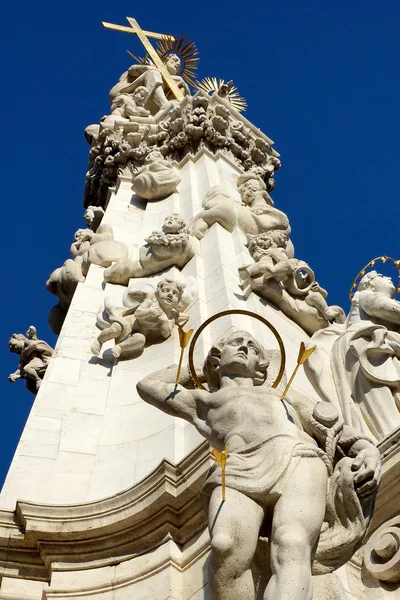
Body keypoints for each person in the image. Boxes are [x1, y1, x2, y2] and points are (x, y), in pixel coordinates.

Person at [137, 329, 381, 600]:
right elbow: (149, 385)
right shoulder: (204, 402)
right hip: (238, 467)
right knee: (225, 544)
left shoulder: (282, 395)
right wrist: (202, 369)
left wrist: (367, 449)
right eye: (235, 343)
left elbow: (336, 430)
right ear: (216, 358)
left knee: (292, 542)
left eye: (253, 347)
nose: (244, 347)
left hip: (298, 459)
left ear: (260, 366)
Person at [305, 270, 400, 440]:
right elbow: (389, 310)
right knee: (381, 393)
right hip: (366, 345)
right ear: (369, 284)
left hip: (368, 345)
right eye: (382, 276)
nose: (389, 277)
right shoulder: (364, 295)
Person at [109, 53, 190, 117]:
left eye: (179, 66)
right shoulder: (152, 68)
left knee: (182, 85)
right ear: (165, 60)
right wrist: (146, 67)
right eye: (174, 60)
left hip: (152, 109)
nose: (177, 64)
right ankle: (164, 104)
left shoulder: (177, 82)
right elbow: (131, 70)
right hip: (135, 96)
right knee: (154, 73)